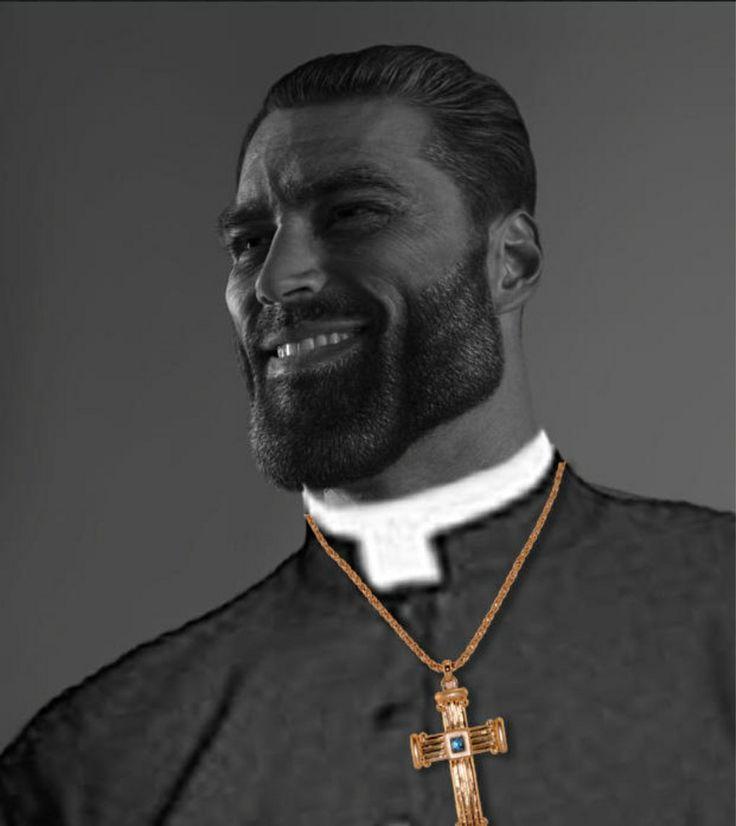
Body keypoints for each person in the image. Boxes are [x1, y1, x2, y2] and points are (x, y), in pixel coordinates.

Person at [1, 44, 732, 826]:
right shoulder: (101, 767)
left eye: (352, 214)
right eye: (249, 242)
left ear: (510, 263)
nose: (276, 281)